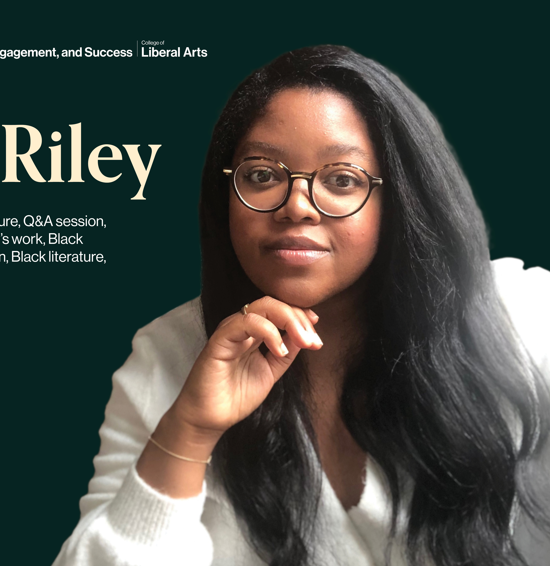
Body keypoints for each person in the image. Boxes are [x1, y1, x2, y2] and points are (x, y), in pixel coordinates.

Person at [53, 45, 550, 566]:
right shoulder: (165, 356)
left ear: (401, 197)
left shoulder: (522, 316)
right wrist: (192, 429)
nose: (296, 205)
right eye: (262, 175)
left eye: (341, 180)